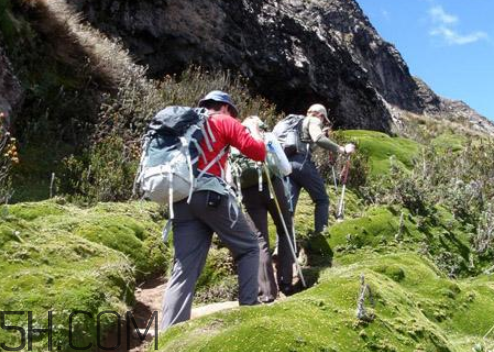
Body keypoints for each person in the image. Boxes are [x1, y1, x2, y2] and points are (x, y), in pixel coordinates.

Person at [161, 91, 266, 329]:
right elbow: (258, 152)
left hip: (180, 197)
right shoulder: (223, 120)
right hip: (209, 195)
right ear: (225, 107)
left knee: (184, 267)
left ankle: (169, 333)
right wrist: (256, 131)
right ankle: (248, 314)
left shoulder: (186, 125)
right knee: (249, 248)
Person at [234, 116, 296, 302]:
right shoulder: (267, 136)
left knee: (259, 239)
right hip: (272, 185)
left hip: (247, 192)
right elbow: (286, 169)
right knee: (284, 228)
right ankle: (286, 280)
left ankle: (267, 293)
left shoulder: (234, 143)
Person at [288, 104, 354, 234]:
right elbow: (318, 138)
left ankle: (282, 246)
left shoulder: (296, 123)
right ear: (320, 115)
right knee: (322, 200)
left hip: (287, 165)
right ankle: (321, 234)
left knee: (288, 207)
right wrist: (342, 149)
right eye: (324, 120)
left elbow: (307, 146)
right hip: (302, 164)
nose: (323, 123)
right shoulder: (314, 120)